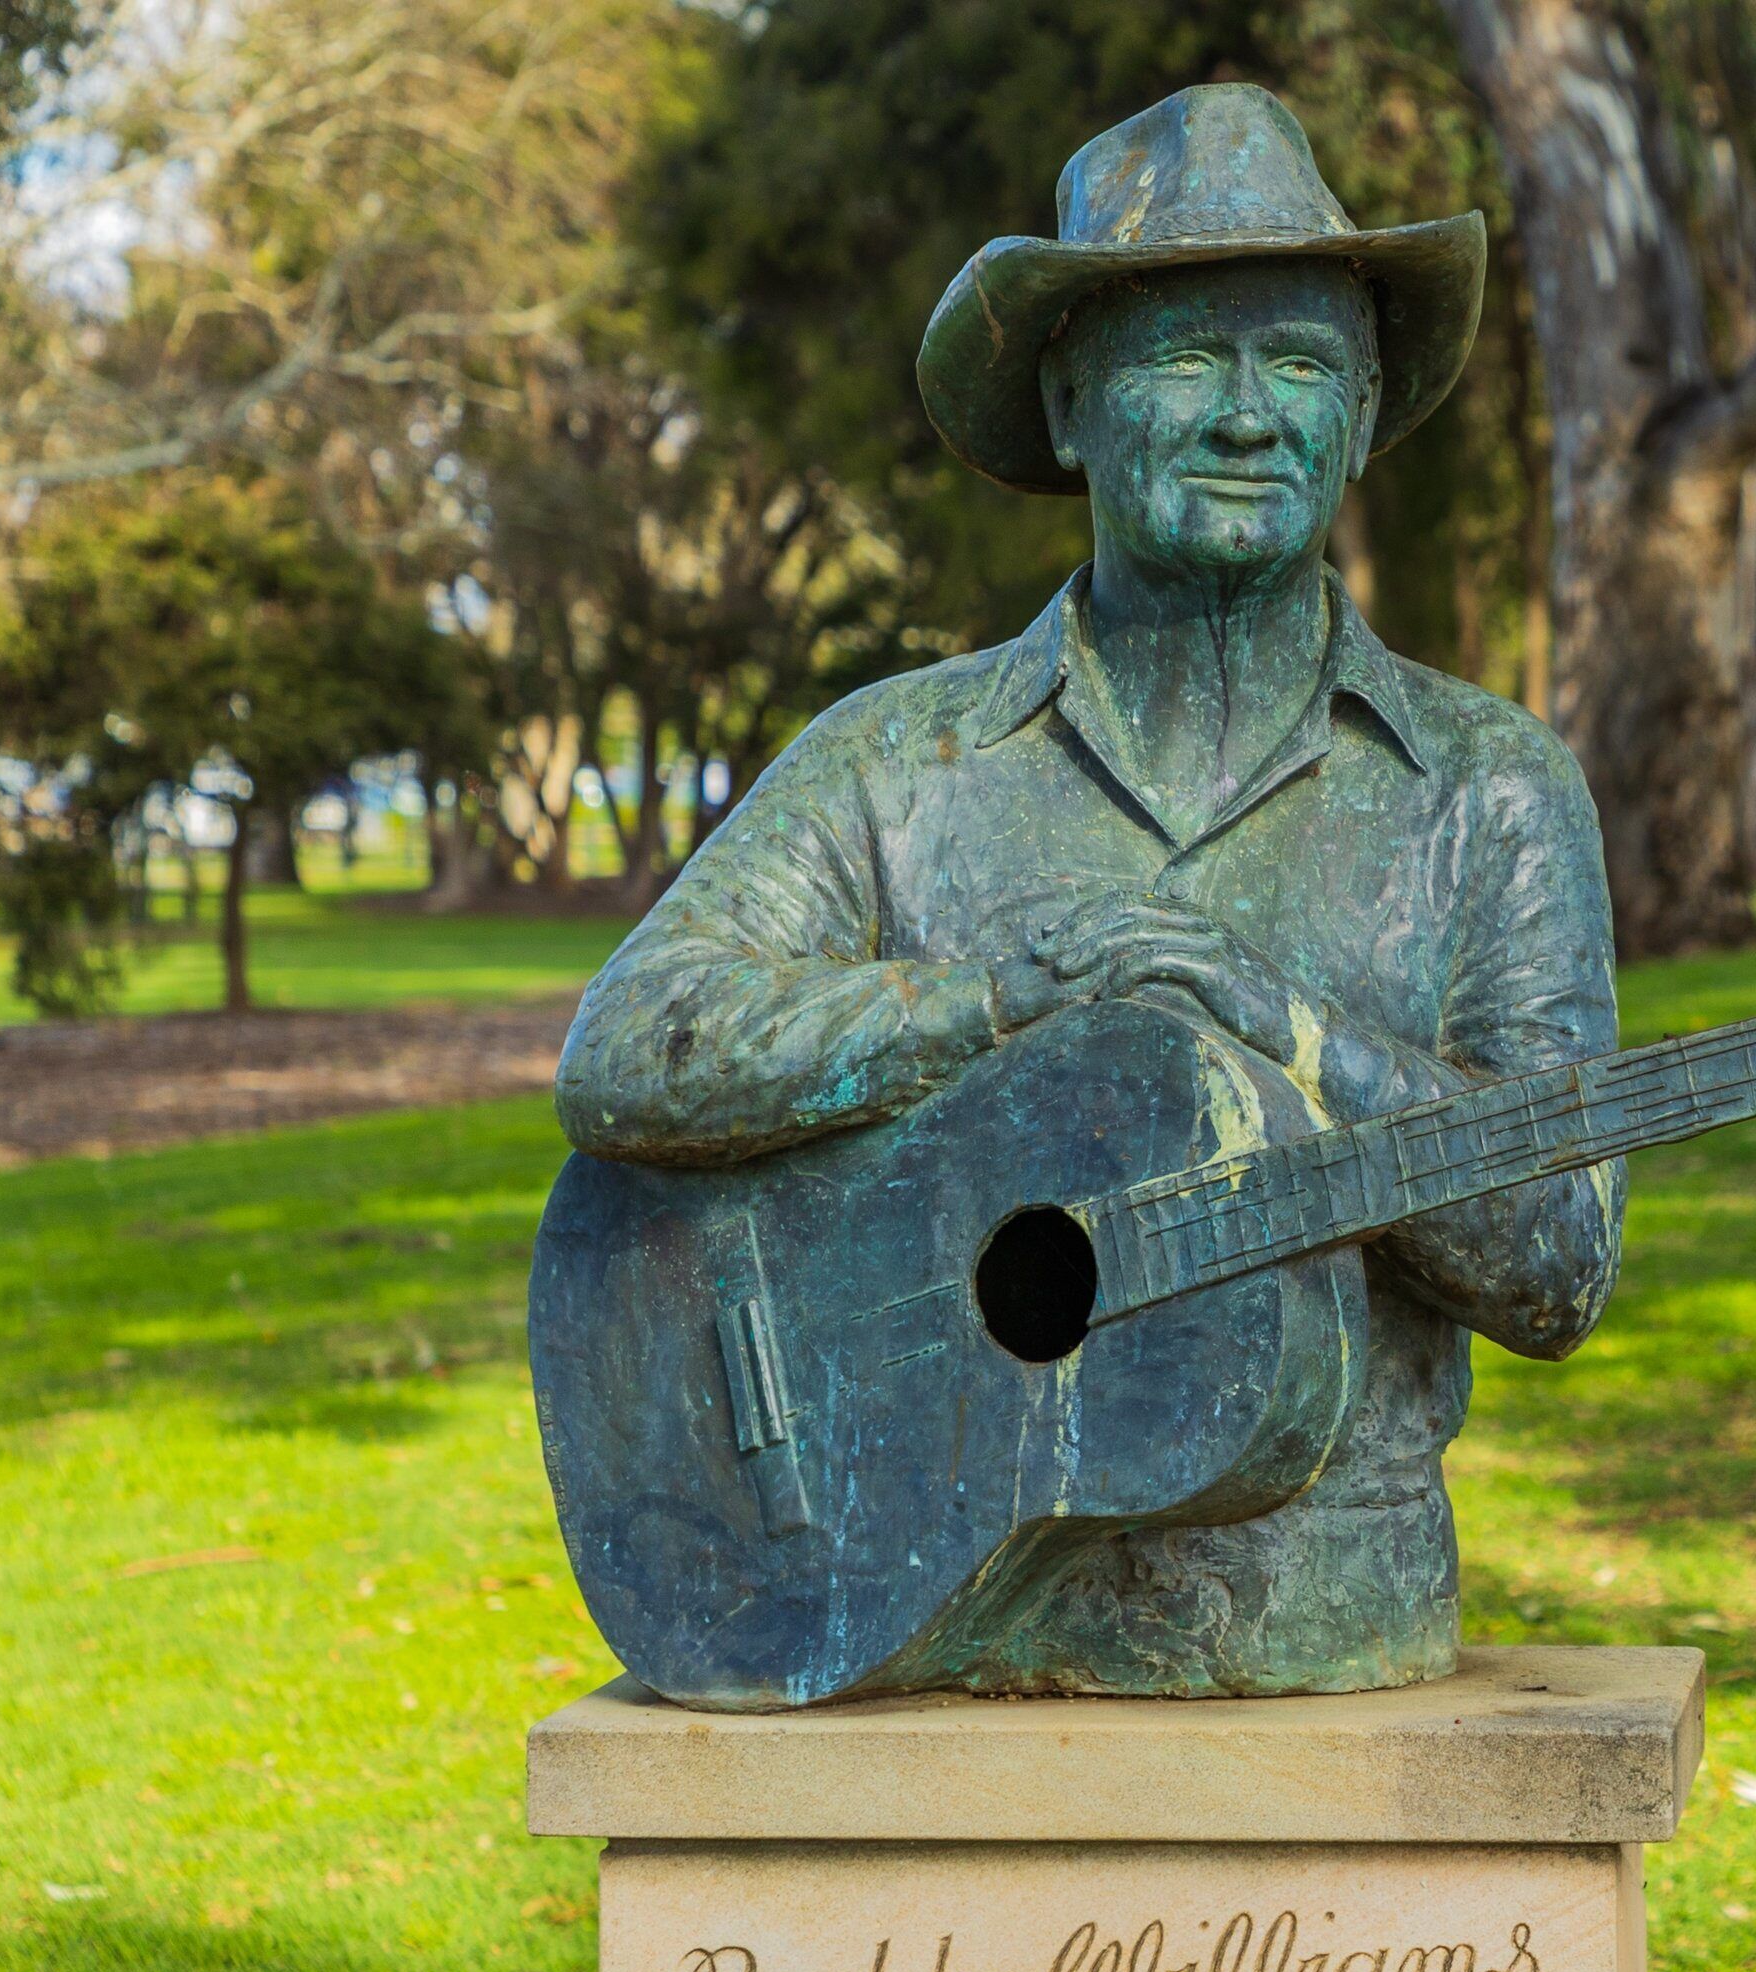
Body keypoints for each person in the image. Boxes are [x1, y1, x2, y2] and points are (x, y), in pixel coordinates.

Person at [552, 85, 1621, 1698]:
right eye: (1188, 358)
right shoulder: (899, 765)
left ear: (1366, 407)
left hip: (1328, 1607)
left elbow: (1562, 1262)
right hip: (912, 1577)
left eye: (1305, 364)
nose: (1250, 415)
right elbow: (625, 1049)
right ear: (1068, 403)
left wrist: (1282, 1030)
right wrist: (976, 1009)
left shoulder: (1490, 791)